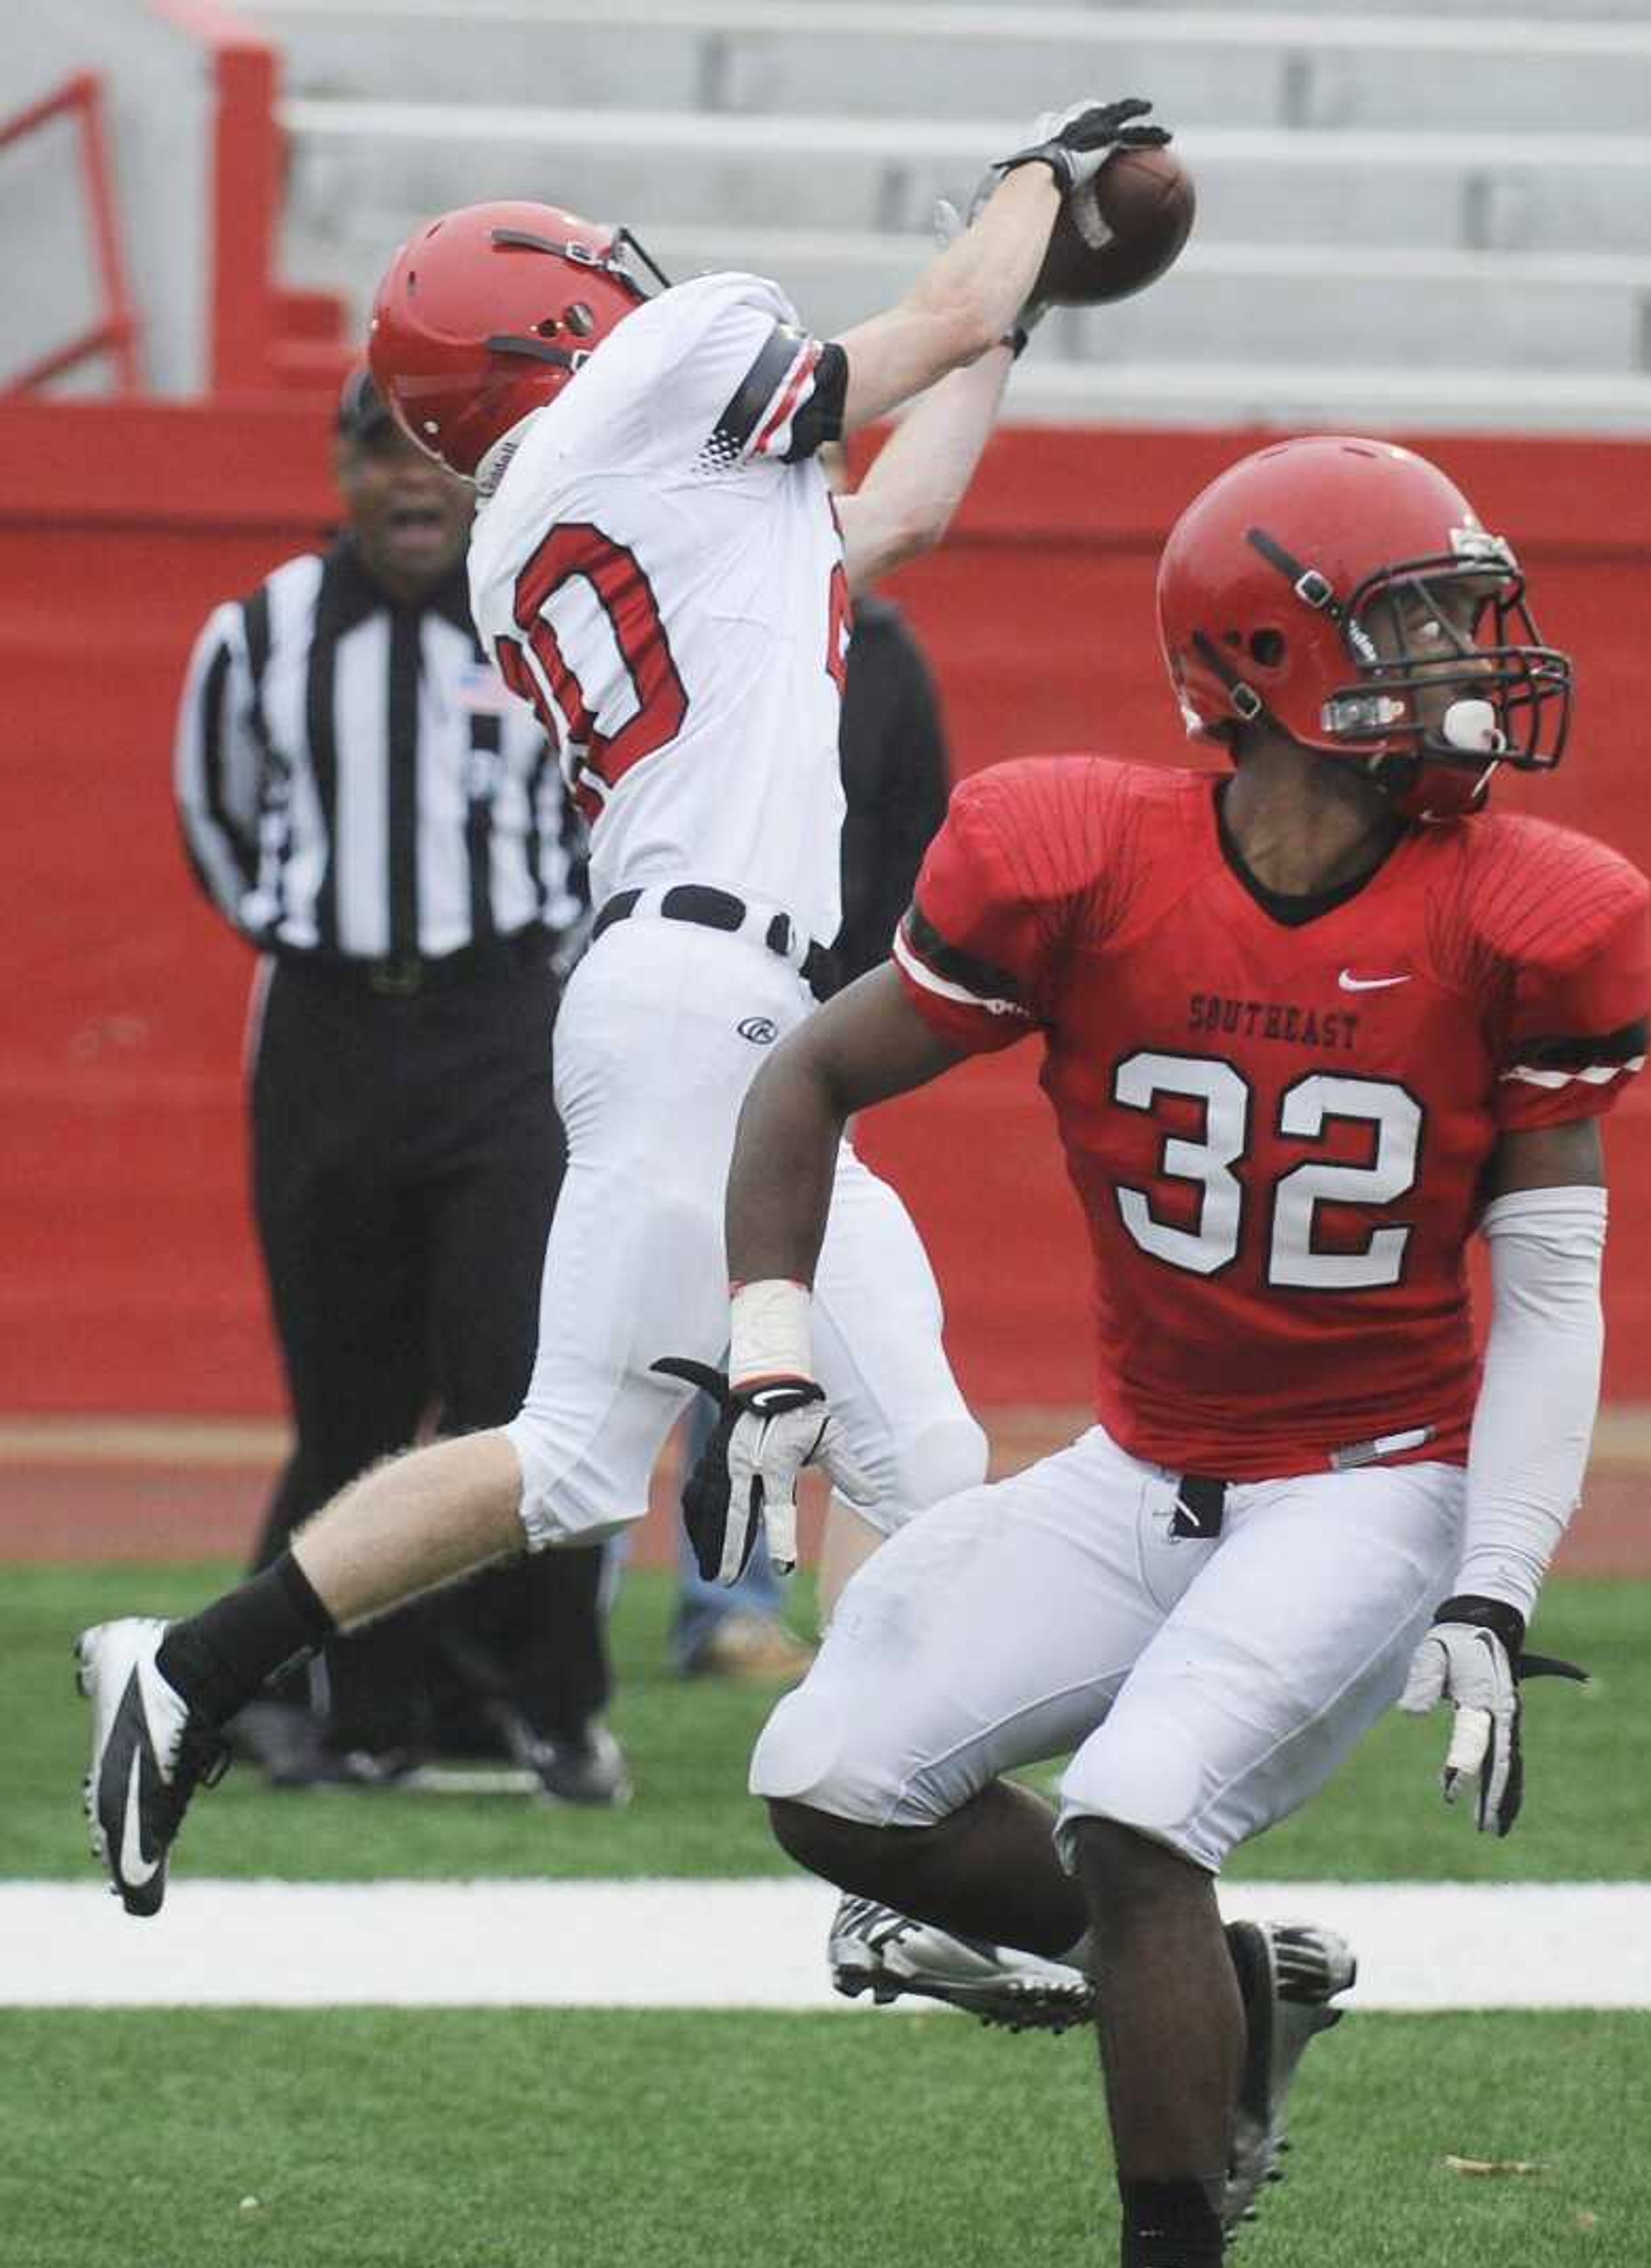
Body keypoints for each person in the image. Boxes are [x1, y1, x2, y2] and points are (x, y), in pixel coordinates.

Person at [674, 432, 1651, 2268]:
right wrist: (771, 1354)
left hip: (1377, 1471)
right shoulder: (1075, 852)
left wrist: (1499, 1568)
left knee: (1133, 1814)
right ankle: (1229, 1999)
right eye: (1418, 626)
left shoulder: (1535, 912)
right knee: (823, 1781)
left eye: (1470, 619)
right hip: (1150, 1463)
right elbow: (808, 1075)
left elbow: (1550, 1289)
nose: (1472, 664)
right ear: (1265, 652)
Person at [75, 100, 1174, 1915]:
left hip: (679, 991)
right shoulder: (667, 367)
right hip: (711, 1001)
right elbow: (929, 332)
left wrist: (1027, 284)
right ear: (552, 318)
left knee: (838, 1452)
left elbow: (903, 500)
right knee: (658, 1454)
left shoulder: (551, 533)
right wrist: (1028, 199)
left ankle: (196, 1669)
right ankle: (198, 1673)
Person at [172, 365, 626, 1804]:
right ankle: (366, 1715)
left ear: (482, 477)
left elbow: (606, 806)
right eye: (381, 456)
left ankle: (542, 1706)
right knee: (349, 1397)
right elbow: (220, 822)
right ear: (339, 470)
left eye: (437, 459)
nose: (410, 485)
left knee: (517, 1383)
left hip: (504, 1027)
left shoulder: (541, 626)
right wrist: (334, 937)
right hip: (327, 1037)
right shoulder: (258, 634)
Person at [671, 446, 955, 1682]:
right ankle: (535, 1649)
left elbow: (916, 842)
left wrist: (847, 1016)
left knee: (768, 1307)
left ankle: (728, 1604)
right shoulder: (685, 620)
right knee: (599, 1337)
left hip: (803, 1019)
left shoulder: (881, 656)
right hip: (664, 1007)